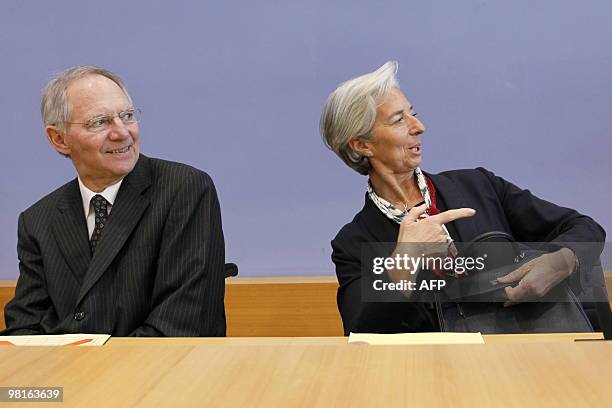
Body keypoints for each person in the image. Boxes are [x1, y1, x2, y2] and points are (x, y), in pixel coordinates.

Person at [320, 61, 606, 335]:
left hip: (531, 360)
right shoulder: (353, 244)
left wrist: (562, 261)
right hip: (438, 375)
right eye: (398, 120)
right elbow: (362, 333)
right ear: (361, 144)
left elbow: (585, 228)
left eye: (413, 113)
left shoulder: (479, 187)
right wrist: (404, 260)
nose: (419, 127)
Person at [2, 66, 226, 337]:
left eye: (127, 116)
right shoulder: (38, 220)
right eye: (100, 122)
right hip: (66, 376)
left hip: (160, 374)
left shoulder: (184, 189)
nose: (122, 133)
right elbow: (24, 328)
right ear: (58, 139)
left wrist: (90, 371)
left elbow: (180, 325)